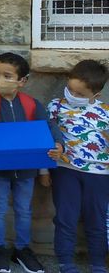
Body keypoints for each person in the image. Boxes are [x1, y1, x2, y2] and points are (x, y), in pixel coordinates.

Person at [0, 53, 63, 273]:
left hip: (27, 170)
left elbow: (49, 126)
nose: (0, 80)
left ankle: (22, 249)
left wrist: (59, 144)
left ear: (22, 81)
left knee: (24, 210)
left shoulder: (31, 104)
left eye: (7, 75)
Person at [47, 60, 109, 273]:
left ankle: (98, 263)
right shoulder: (55, 106)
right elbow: (46, 140)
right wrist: (44, 171)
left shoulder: (105, 112)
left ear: (96, 96)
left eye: (80, 94)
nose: (73, 95)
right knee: (66, 217)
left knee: (96, 219)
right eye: (70, 90)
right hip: (65, 170)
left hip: (99, 173)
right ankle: (65, 261)